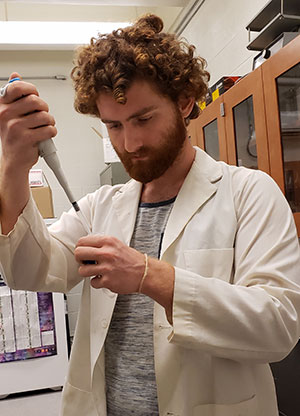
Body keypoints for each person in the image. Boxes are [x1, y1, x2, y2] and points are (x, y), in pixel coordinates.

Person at [0, 14, 300, 416]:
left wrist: (149, 275)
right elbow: (27, 271)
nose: (130, 142)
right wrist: (14, 165)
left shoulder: (248, 193)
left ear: (185, 101)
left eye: (143, 119)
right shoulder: (98, 206)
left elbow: (278, 327)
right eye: (114, 126)